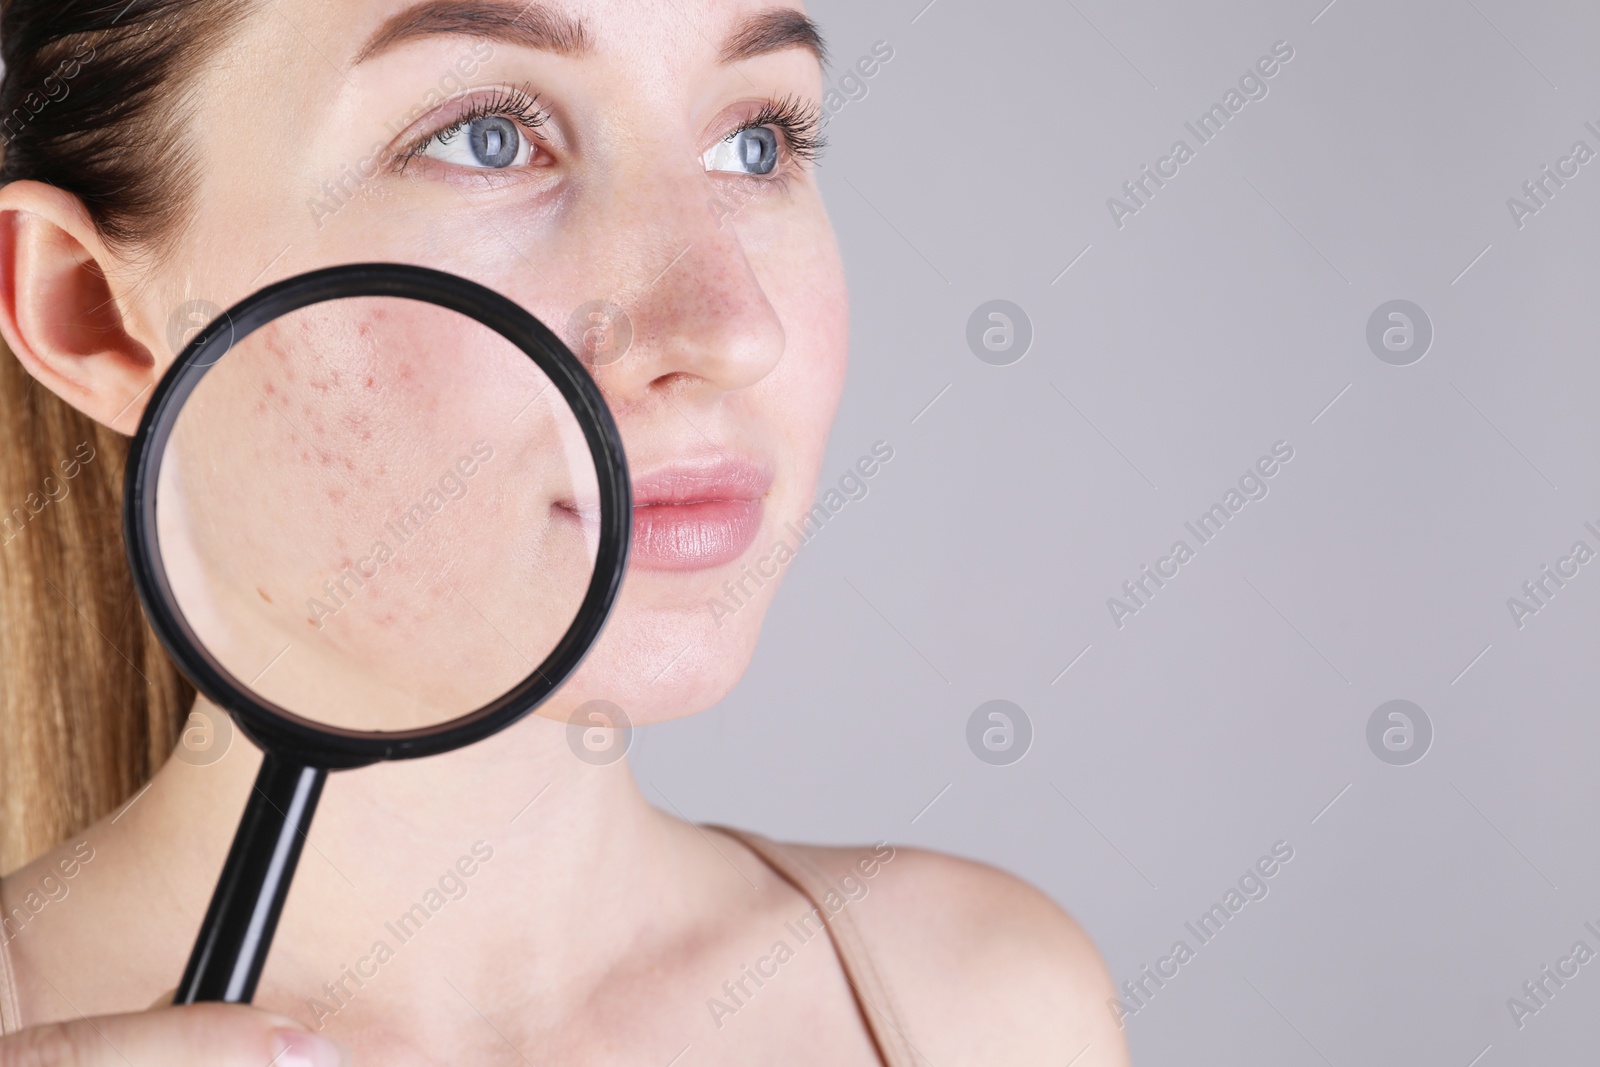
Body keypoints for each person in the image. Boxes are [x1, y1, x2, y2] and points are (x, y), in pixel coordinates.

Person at [0, 1, 1131, 1063]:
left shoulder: (981, 1007)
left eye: (754, 141)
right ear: (91, 310)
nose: (734, 329)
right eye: (489, 136)